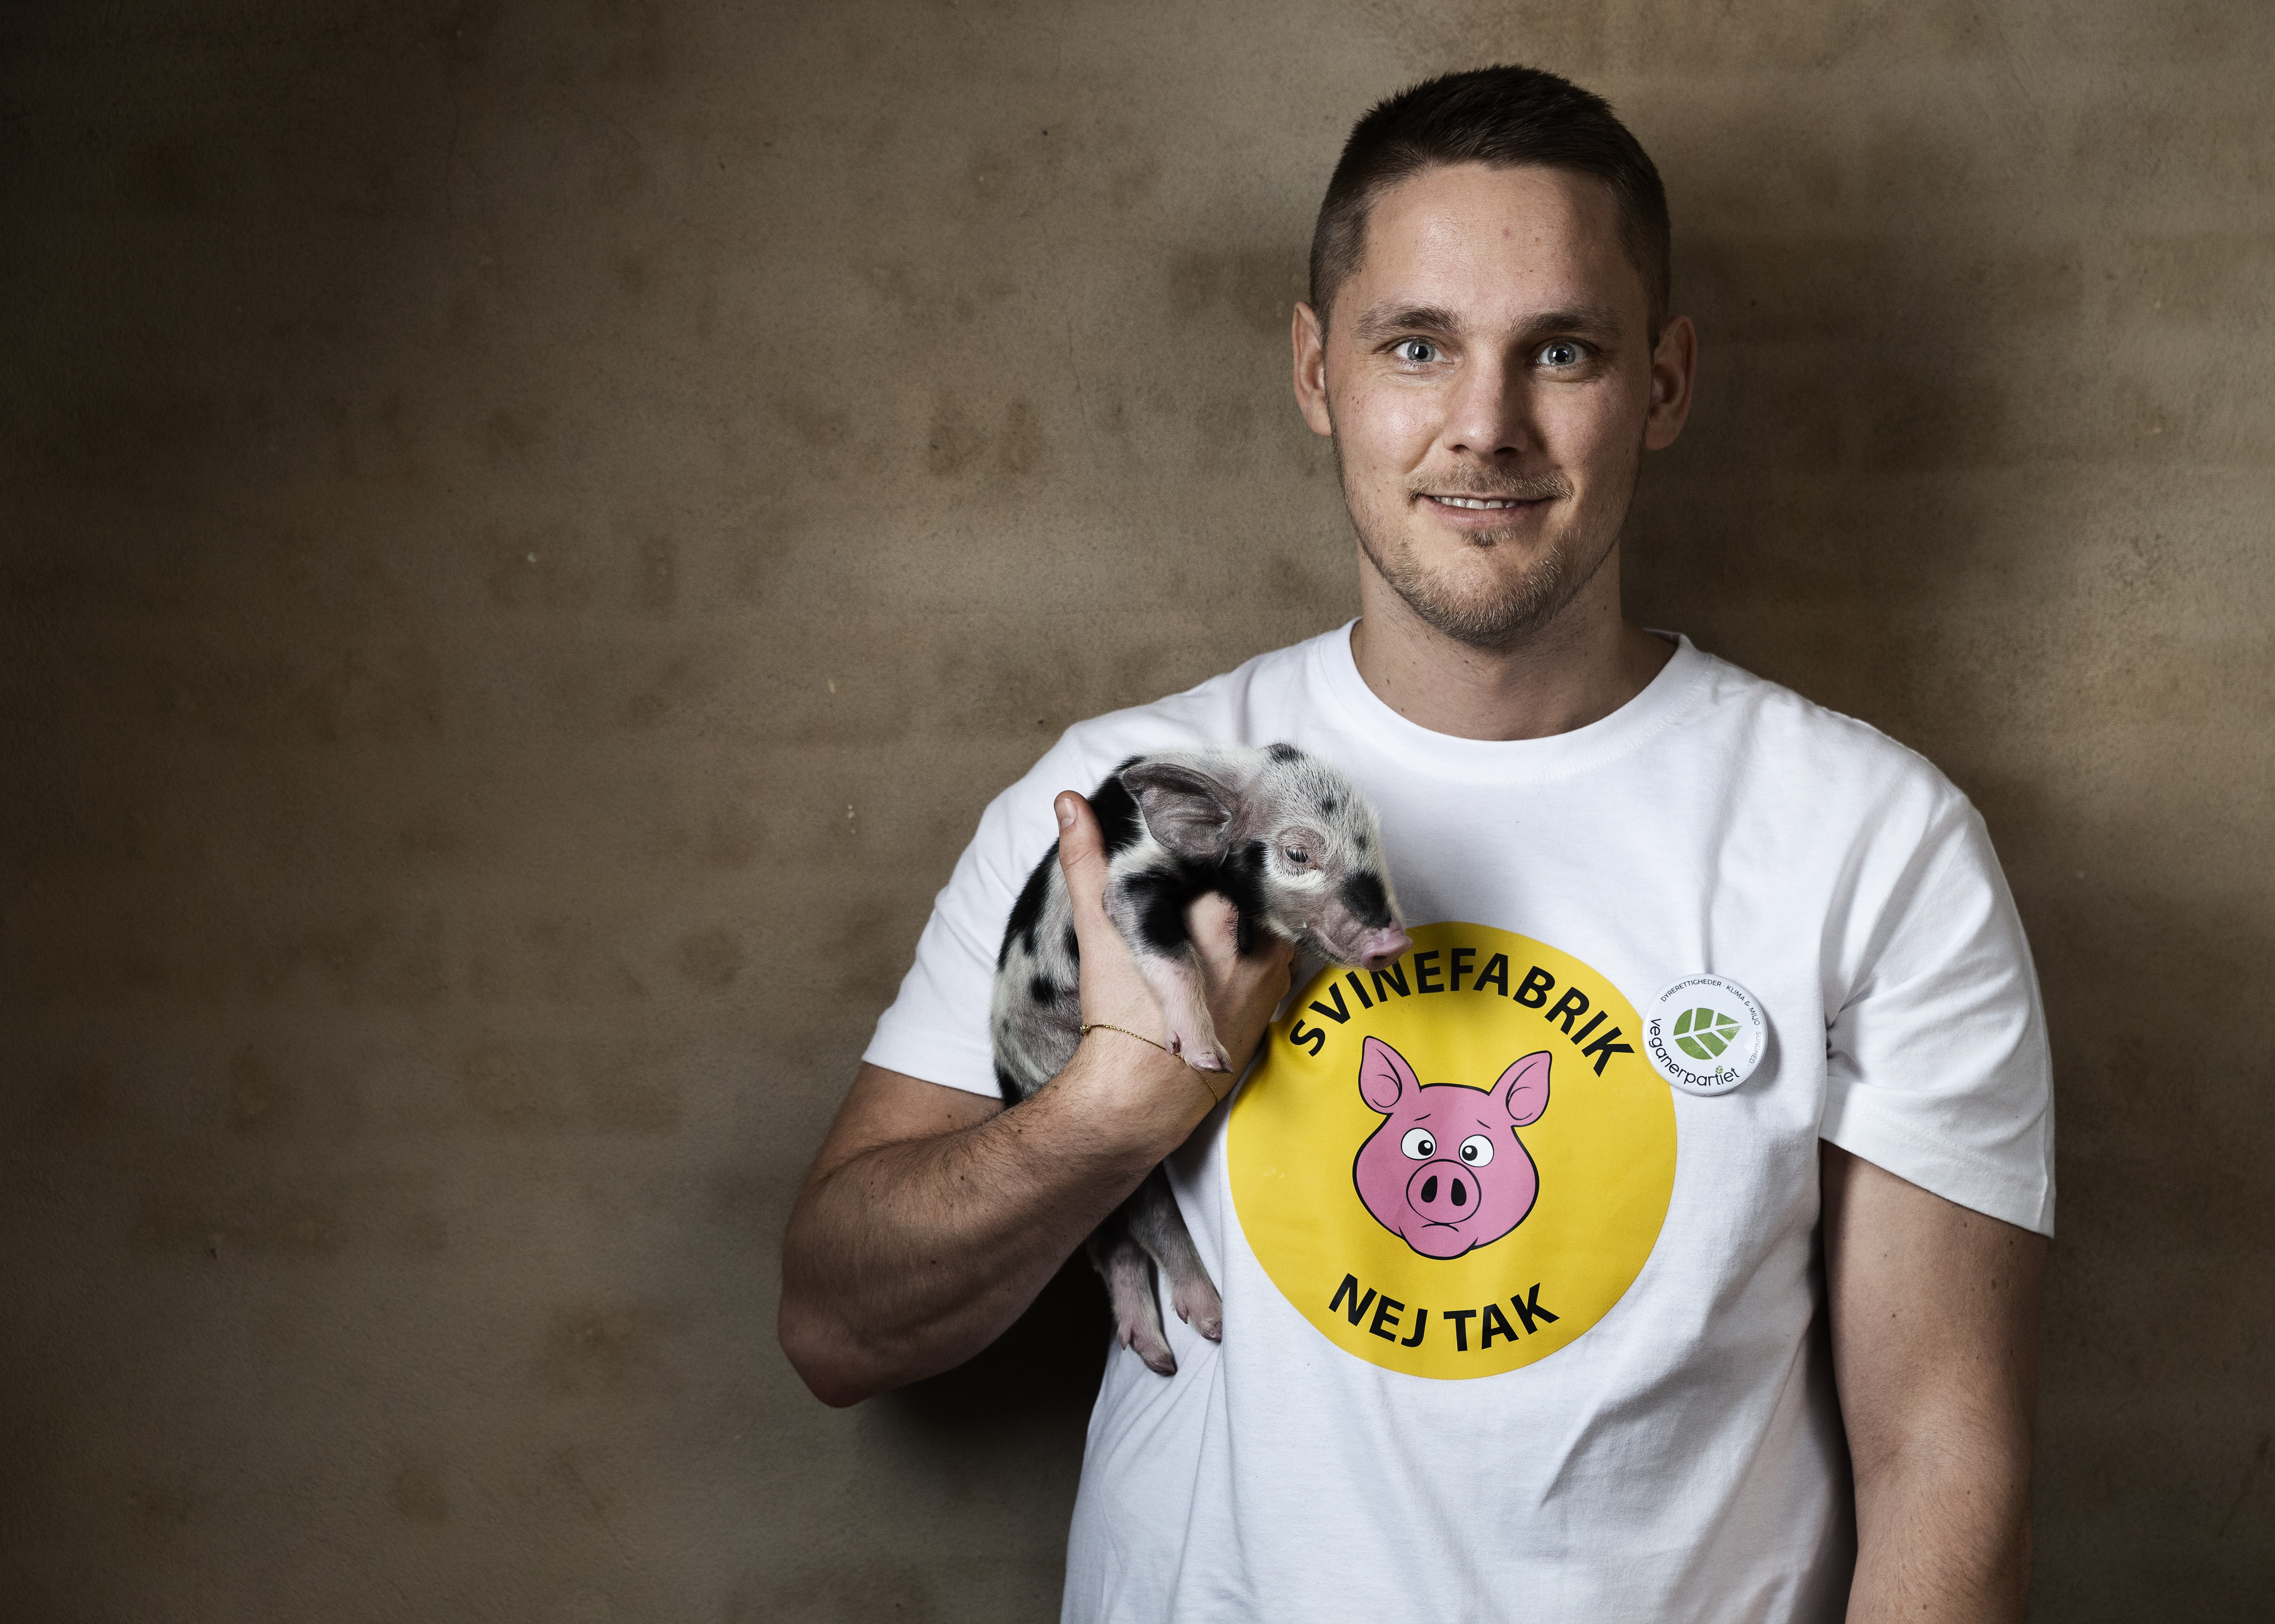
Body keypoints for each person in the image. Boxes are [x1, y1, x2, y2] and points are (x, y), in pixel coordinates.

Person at [780, 64, 2052, 1624]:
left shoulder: (1875, 842)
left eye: (1562, 351)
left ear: (1661, 385)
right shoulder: (1128, 799)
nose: (1484, 426)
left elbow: (1942, 1459)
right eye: (1416, 345)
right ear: (1316, 370)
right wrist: (1111, 1111)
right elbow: (838, 1328)